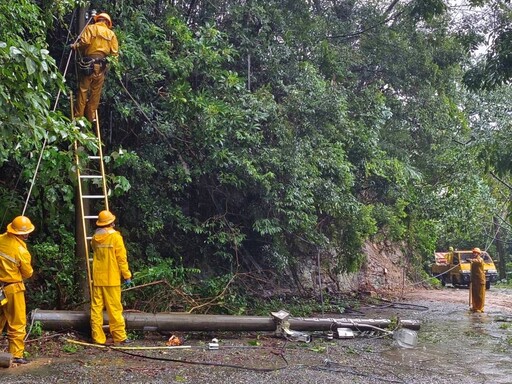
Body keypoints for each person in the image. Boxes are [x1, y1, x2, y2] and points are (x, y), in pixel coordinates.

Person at [90, 210, 132, 345]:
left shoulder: (95, 238)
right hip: (112, 278)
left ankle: (98, 338)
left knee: (96, 309)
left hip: (98, 278)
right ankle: (120, 337)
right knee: (114, 309)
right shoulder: (116, 237)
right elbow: (121, 259)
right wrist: (127, 275)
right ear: (111, 222)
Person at [0, 216, 35, 364]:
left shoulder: (1, 239)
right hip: (13, 288)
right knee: (17, 322)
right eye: (26, 232)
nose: (28, 234)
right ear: (21, 234)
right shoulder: (21, 251)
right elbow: (27, 273)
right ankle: (16, 354)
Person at [72, 12, 119, 122]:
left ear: (97, 20)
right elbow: (115, 54)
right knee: (95, 93)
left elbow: (84, 42)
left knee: (83, 90)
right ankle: (90, 118)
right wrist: (108, 66)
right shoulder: (111, 34)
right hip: (101, 66)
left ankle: (79, 117)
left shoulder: (90, 28)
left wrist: (75, 46)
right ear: (107, 23)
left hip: (88, 64)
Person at [469, 247, 486, 313]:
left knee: (480, 295)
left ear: (478, 254)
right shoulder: (474, 260)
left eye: (475, 253)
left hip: (480, 280)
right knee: (474, 294)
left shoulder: (480, 260)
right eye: (473, 252)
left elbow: (478, 261)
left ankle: (480, 308)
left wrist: (471, 260)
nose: (474, 254)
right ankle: (475, 307)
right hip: (474, 280)